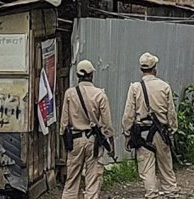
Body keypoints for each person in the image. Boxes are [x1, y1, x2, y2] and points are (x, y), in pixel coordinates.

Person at [121, 53, 179, 199]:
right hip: (161, 132)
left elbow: (129, 114)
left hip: (142, 133)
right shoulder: (164, 86)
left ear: (141, 69)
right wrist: (172, 130)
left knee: (147, 168)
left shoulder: (135, 88)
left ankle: (152, 194)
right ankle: (171, 191)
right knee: (166, 165)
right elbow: (171, 113)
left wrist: (127, 133)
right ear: (155, 69)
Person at [60, 60, 114, 199]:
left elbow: (64, 123)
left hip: (75, 140)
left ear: (78, 75)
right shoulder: (100, 94)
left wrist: (65, 142)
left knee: (71, 180)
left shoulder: (70, 94)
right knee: (93, 180)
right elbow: (107, 123)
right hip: (93, 141)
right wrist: (110, 142)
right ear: (91, 75)